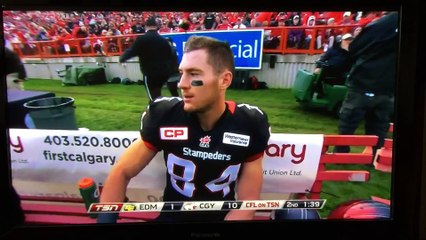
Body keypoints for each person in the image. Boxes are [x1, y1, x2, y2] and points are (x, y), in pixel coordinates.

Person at [97, 35, 271, 223]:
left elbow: (248, 203)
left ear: (224, 80)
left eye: (194, 74)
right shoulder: (165, 114)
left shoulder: (249, 123)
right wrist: (106, 219)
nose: (181, 83)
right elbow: (122, 171)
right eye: (182, 73)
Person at [334, 12, 398, 154]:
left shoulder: (380, 24)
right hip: (387, 87)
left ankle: (341, 155)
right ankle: (375, 157)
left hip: (363, 84)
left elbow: (354, 48)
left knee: (348, 123)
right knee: (379, 127)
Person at [119, 17, 173, 103]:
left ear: (146, 26)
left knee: (154, 99)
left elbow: (132, 51)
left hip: (150, 73)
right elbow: (170, 56)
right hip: (163, 72)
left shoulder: (142, 39)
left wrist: (122, 58)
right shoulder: (163, 40)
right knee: (156, 95)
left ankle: (157, 113)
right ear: (156, 26)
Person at [313, 33, 354, 98]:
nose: (348, 42)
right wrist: (318, 67)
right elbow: (323, 58)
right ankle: (320, 93)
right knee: (317, 76)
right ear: (342, 41)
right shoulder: (333, 49)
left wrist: (347, 51)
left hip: (342, 72)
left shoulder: (351, 52)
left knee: (349, 79)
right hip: (329, 69)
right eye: (346, 40)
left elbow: (352, 63)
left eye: (350, 40)